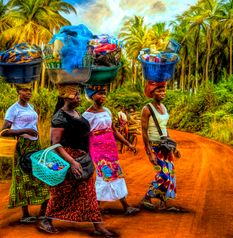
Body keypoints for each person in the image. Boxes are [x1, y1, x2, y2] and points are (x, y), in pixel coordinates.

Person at [39, 84, 116, 237]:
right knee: (62, 191)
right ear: (64, 97)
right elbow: (55, 144)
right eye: (76, 95)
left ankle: (97, 226)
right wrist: (72, 163)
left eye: (79, 95)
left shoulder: (76, 113)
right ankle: (46, 219)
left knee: (88, 191)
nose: (79, 98)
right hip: (68, 159)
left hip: (82, 159)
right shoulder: (59, 117)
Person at [83, 85, 140, 215]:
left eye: (104, 93)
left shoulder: (107, 111)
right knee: (104, 176)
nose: (102, 96)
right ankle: (95, 208)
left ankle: (125, 207)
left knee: (116, 175)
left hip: (111, 148)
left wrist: (128, 144)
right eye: (99, 93)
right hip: (97, 150)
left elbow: (114, 131)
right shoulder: (86, 115)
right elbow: (83, 135)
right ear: (92, 95)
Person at [0, 83, 50, 223]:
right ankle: (25, 215)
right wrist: (24, 131)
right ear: (18, 92)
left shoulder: (31, 107)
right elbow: (3, 132)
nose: (28, 93)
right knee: (23, 179)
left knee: (41, 176)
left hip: (35, 145)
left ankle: (42, 212)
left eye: (30, 90)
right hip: (23, 147)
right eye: (25, 90)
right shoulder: (13, 109)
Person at [140, 81, 181, 211]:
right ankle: (146, 197)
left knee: (170, 174)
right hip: (155, 147)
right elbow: (144, 132)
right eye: (159, 91)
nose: (162, 93)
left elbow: (164, 129)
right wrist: (149, 152)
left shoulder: (164, 107)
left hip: (165, 146)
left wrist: (174, 147)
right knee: (163, 175)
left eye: (163, 90)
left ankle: (163, 204)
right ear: (152, 93)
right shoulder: (147, 109)